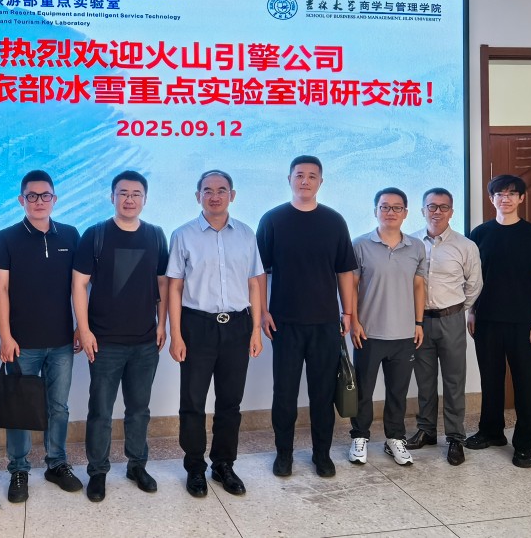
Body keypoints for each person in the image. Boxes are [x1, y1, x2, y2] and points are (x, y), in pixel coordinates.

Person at [256, 156, 357, 478]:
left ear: (320, 182)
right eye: (299, 175)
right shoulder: (272, 220)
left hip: (326, 323)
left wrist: (348, 312)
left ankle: (321, 455)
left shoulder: (334, 221)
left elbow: (345, 271)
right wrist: (262, 311)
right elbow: (258, 272)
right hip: (284, 323)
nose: (305, 181)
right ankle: (283, 454)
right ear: (289, 179)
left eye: (312, 176)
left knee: (322, 395)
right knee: (284, 395)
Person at [72, 170, 169, 503]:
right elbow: (79, 285)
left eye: (136, 194)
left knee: (139, 410)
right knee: (100, 411)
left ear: (145, 199)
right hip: (105, 341)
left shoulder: (156, 235)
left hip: (145, 341)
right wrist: (85, 330)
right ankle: (97, 472)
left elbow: (163, 284)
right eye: (123, 193)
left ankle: (136, 466)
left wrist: (162, 324)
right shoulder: (95, 234)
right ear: (112, 197)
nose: (129, 199)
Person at [167, 170, 264, 498]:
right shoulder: (183, 235)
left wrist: (255, 330)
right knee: (192, 401)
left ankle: (223, 464)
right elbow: (175, 287)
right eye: (207, 190)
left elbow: (254, 284)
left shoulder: (246, 234)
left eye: (221, 190)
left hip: (237, 326)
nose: (215, 196)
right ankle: (195, 466)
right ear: (198, 196)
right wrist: (176, 334)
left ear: (231, 195)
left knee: (230, 401)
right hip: (197, 326)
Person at [0, 170, 83, 503]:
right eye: (32, 195)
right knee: (19, 408)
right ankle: (19, 469)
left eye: (45, 195)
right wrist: (5, 336)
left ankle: (57, 463)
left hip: (61, 341)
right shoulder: (6, 237)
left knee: (58, 407)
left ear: (54, 199)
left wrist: (80, 326)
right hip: (21, 343)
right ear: (21, 200)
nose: (39, 201)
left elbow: (79, 286)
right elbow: (0, 289)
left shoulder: (71, 235)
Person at [465, 175, 531, 468]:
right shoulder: (479, 234)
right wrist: (472, 311)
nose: (505, 198)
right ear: (491, 199)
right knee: (490, 380)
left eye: (512, 194)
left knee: (526, 385)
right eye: (499, 194)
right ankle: (491, 432)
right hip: (487, 320)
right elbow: (473, 279)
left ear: (521, 198)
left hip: (525, 323)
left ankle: (525, 444)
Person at [348, 188, 426, 466]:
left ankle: (395, 439)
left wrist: (418, 323)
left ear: (405, 212)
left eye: (396, 207)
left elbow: (419, 286)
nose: (390, 212)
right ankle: (360, 437)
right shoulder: (360, 244)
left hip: (405, 334)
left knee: (398, 392)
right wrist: (354, 321)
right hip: (368, 333)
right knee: (363, 391)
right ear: (375, 211)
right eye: (384, 207)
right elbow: (352, 286)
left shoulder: (416, 246)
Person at [407, 188, 482, 466]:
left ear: (451, 212)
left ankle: (455, 437)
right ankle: (426, 431)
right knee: (424, 380)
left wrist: (457, 309)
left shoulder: (465, 246)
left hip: (451, 319)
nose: (437, 211)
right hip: (419, 322)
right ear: (422, 210)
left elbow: (474, 284)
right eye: (432, 206)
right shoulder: (410, 242)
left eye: (443, 207)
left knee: (453, 380)